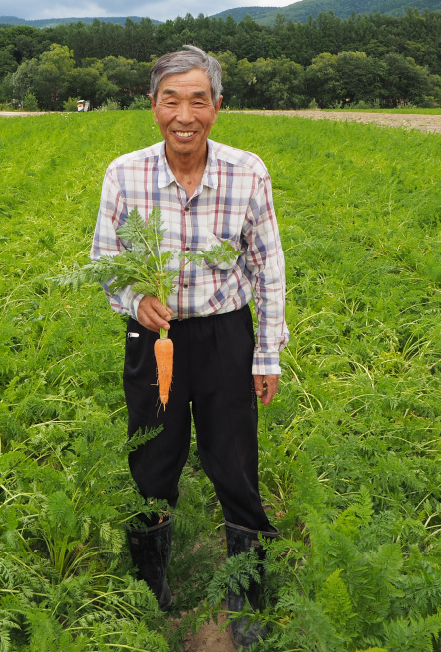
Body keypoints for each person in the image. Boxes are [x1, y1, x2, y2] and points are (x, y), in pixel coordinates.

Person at [91, 45, 289, 647]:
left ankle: (245, 586)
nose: (185, 114)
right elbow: (104, 263)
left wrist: (267, 352)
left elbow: (267, 266)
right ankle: (150, 582)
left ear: (217, 107)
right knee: (153, 457)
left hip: (226, 334)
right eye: (171, 100)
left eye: (198, 100)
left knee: (234, 460)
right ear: (153, 107)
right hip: (155, 339)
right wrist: (133, 300)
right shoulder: (124, 173)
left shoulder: (246, 170)